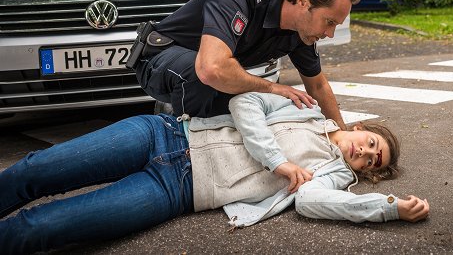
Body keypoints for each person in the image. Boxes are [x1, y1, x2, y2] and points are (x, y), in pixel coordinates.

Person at [0, 92, 430, 254]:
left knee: (44, 228)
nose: (367, 154)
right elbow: (247, 103)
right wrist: (278, 162)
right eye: (372, 144)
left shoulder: (333, 176)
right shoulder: (308, 112)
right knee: (35, 170)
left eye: (373, 162)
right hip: (162, 134)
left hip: (175, 190)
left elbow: (312, 201)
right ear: (359, 129)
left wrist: (387, 208)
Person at [134, 0, 360, 130]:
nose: (329, 34)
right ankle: (178, 140)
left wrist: (342, 136)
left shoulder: (302, 33)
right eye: (329, 22)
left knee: (287, 106)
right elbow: (211, 69)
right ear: (303, 1)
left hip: (205, 78)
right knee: (205, 74)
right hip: (159, 60)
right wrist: (272, 88)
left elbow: (318, 87)